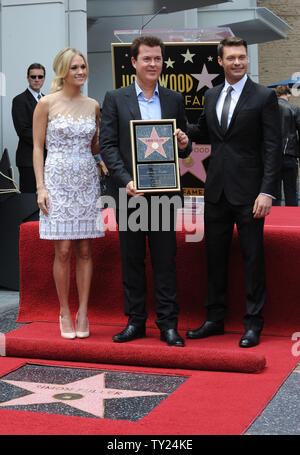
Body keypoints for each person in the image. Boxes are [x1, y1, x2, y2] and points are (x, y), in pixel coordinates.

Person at [186, 37, 282, 347]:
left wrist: (267, 191)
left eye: (242, 57)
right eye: (232, 58)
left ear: (247, 60)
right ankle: (214, 319)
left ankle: (253, 323)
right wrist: (180, 133)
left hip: (251, 193)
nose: (238, 62)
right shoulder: (211, 95)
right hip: (215, 191)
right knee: (214, 259)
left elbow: (272, 148)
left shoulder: (263, 97)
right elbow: (203, 132)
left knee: (253, 258)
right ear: (220, 62)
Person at [99, 35, 191, 347]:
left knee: (166, 261)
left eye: (157, 58)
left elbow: (185, 140)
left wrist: (184, 143)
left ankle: (168, 325)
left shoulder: (174, 98)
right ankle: (135, 322)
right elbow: (108, 146)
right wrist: (125, 180)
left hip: (165, 194)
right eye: (147, 59)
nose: (153, 64)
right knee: (132, 260)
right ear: (134, 62)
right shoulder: (115, 97)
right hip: (130, 194)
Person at [33, 47, 104, 339]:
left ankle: (83, 311)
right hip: (56, 181)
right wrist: (40, 187)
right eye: (74, 67)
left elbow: (96, 146)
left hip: (86, 180)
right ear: (63, 71)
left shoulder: (93, 105)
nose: (80, 72)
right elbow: (37, 147)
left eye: (83, 67)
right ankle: (64, 310)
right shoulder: (46, 104)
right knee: (62, 250)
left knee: (85, 250)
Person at [12, 63, 46, 192]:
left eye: (40, 76)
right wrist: (47, 141)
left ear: (43, 78)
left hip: (48, 159)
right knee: (30, 200)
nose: (36, 79)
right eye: (33, 76)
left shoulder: (47, 99)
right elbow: (23, 131)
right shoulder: (19, 100)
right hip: (28, 160)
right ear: (28, 78)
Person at [272, 84, 300, 207]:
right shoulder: (294, 109)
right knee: (291, 192)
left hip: (272, 156)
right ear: (288, 94)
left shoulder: (268, 109)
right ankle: (293, 221)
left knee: (273, 193)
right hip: (290, 155)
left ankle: (274, 220)